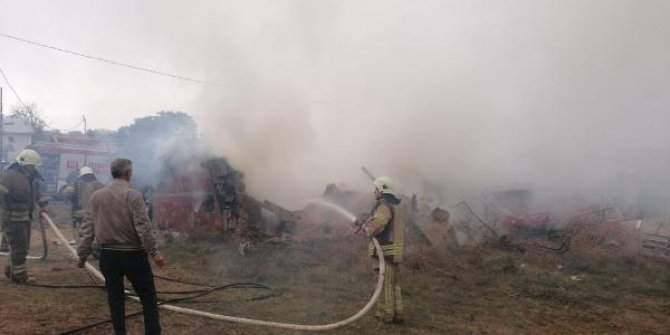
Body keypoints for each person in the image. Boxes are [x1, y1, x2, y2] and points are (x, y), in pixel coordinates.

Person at [77, 158, 165, 335]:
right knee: (148, 297)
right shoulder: (133, 196)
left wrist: (82, 255)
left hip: (108, 256)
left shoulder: (97, 197)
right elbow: (143, 227)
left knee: (115, 299)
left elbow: (88, 228)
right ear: (128, 173)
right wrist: (154, 253)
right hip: (134, 256)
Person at [357, 176, 404, 324]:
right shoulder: (394, 206)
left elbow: (377, 226)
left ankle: (386, 315)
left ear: (383, 190)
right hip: (392, 251)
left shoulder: (384, 207)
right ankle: (397, 313)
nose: (374, 191)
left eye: (376, 188)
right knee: (393, 284)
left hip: (384, 252)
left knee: (384, 285)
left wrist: (368, 229)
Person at [0, 149, 48, 284]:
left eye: (34, 166)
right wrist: (7, 211)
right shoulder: (9, 175)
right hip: (12, 218)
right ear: (23, 163)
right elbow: (1, 196)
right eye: (31, 166)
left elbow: (37, 192)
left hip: (25, 217)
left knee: (20, 246)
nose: (33, 168)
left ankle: (11, 270)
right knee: (19, 247)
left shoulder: (31, 176)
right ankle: (19, 276)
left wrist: (43, 204)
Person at [62, 166, 104, 243]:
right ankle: (93, 241)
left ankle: (78, 240)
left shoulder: (76, 184)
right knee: (95, 227)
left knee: (80, 226)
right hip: (96, 212)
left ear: (81, 175)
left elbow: (65, 194)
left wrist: (71, 187)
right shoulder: (100, 185)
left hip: (79, 211)